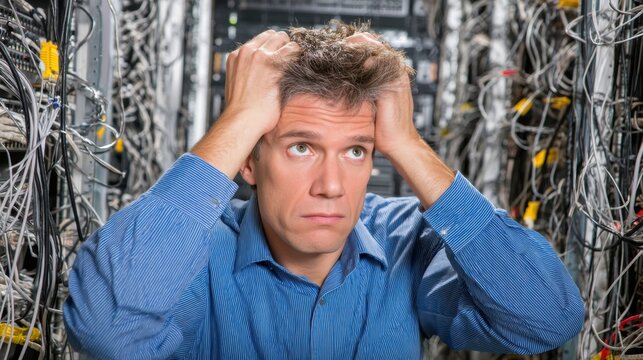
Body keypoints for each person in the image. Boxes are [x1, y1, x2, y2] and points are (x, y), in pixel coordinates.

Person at [63, 21, 584, 359]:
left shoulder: (407, 244)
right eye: (301, 148)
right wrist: (241, 118)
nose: (332, 187)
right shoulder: (194, 258)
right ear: (249, 158)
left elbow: (548, 318)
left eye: (356, 151)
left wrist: (408, 144)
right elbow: (108, 330)